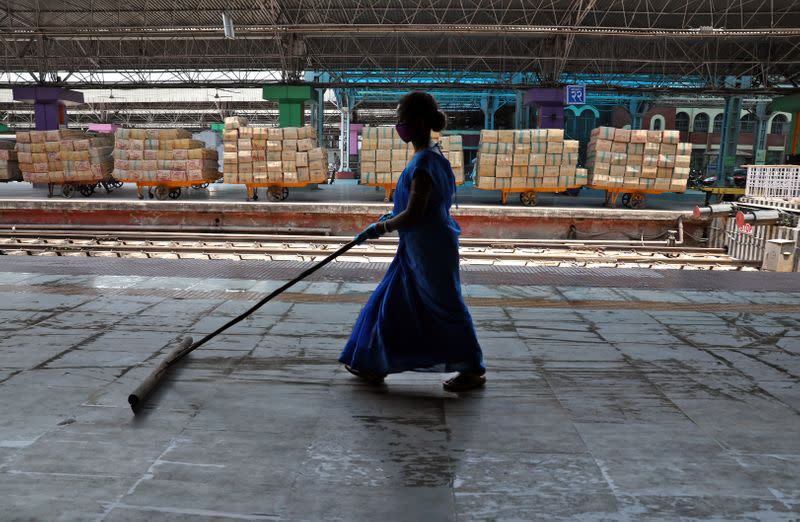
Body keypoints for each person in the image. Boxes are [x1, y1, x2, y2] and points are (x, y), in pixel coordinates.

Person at [338, 91, 486, 392]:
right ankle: (372, 363)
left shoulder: (423, 164)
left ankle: (472, 368)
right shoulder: (433, 157)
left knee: (444, 305)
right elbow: (412, 208)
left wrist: (379, 229)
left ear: (418, 122)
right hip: (418, 246)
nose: (399, 123)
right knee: (390, 302)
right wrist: (387, 216)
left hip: (429, 248)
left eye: (402, 117)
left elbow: (415, 214)